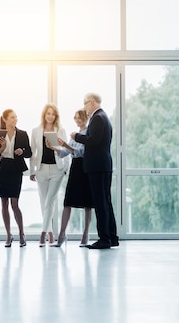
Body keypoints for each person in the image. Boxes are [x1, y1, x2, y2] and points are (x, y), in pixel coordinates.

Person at [72, 92, 119, 249]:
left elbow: (93, 140)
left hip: (98, 166)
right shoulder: (103, 117)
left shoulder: (98, 118)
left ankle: (104, 239)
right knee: (106, 202)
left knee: (100, 203)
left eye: (85, 103)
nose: (84, 107)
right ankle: (112, 237)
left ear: (91, 103)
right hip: (103, 165)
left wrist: (76, 136)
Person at [30, 103, 70, 246]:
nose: (50, 116)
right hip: (41, 169)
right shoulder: (35, 131)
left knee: (50, 201)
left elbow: (66, 150)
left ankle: (43, 234)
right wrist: (32, 170)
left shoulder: (60, 130)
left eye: (53, 114)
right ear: (44, 115)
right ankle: (51, 232)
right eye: (48, 113)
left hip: (56, 170)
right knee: (44, 202)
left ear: (56, 116)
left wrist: (65, 168)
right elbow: (32, 153)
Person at [53, 109, 93, 248]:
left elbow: (80, 152)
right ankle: (62, 234)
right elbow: (65, 153)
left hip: (85, 167)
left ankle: (86, 234)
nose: (77, 120)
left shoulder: (87, 133)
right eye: (75, 118)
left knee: (88, 203)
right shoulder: (74, 134)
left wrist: (66, 145)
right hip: (75, 168)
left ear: (85, 118)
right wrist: (55, 147)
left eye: (79, 118)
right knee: (68, 202)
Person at [0, 109, 32, 247]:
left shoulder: (22, 134)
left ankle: (21, 233)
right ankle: (8, 235)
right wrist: (0, 156)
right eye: (12, 117)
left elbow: (29, 152)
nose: (15, 120)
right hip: (3, 169)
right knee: (4, 203)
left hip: (16, 170)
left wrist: (22, 151)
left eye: (16, 117)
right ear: (5, 119)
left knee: (15, 203)